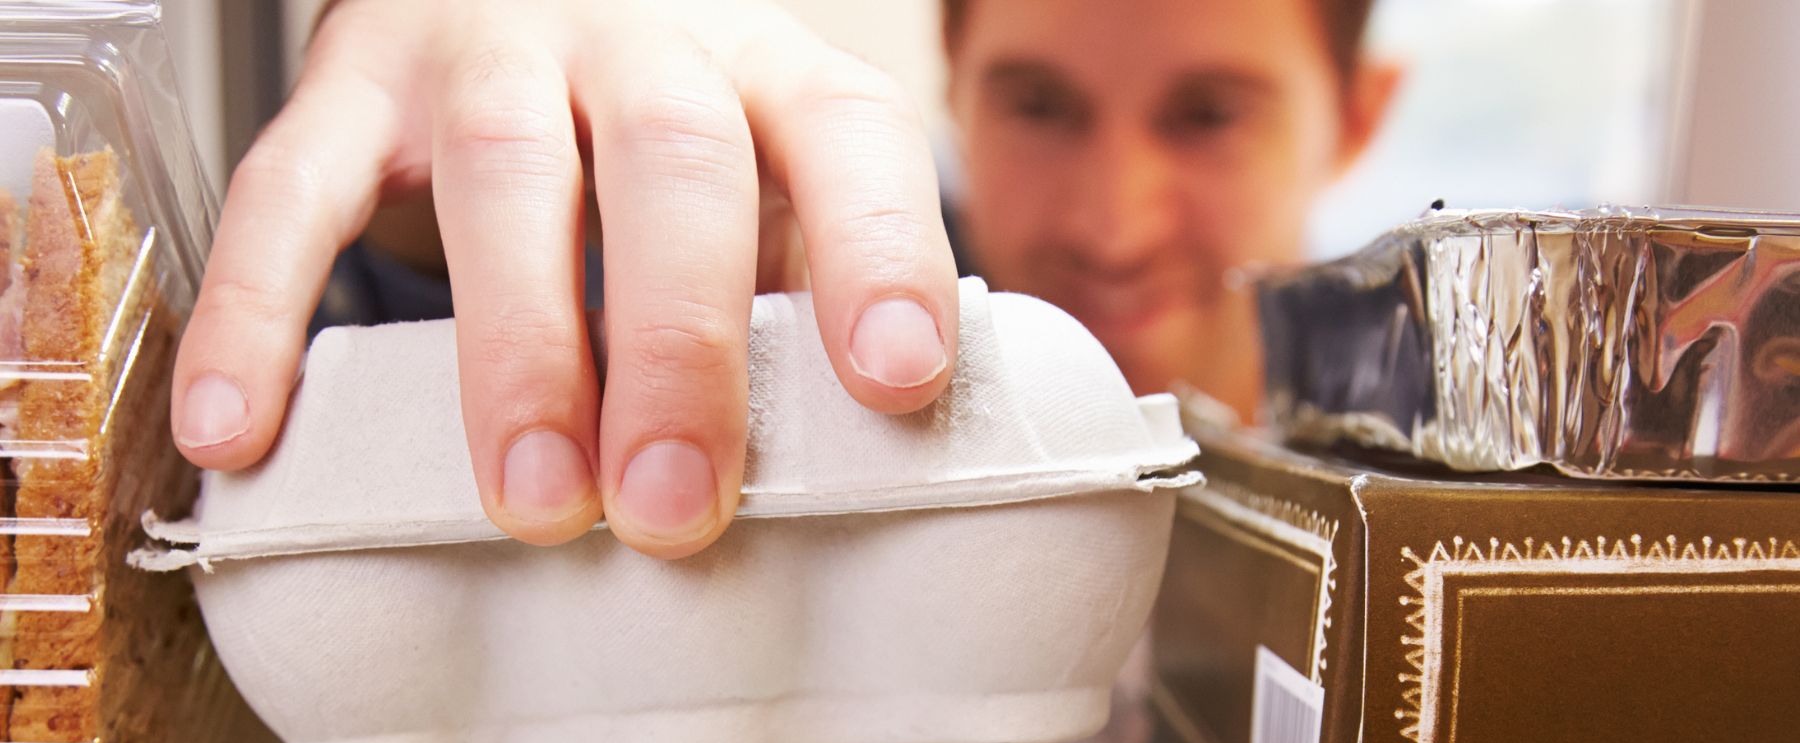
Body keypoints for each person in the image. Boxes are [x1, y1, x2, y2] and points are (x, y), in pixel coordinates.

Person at [170, 0, 1395, 558]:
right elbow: (442, 304)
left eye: (1207, 115)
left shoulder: (1461, 472)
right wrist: (468, 84)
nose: (1115, 222)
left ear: (1355, 119)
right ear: (954, 79)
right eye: (1040, 106)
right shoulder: (815, 308)